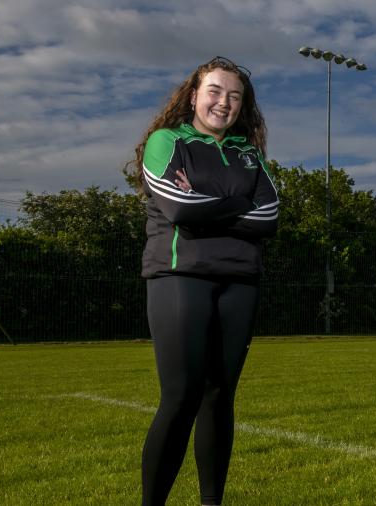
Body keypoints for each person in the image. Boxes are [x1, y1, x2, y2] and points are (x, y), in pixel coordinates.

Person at [126, 56, 280, 506]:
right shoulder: (166, 140)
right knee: (181, 395)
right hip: (180, 276)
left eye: (234, 96)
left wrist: (207, 200)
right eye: (214, 91)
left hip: (240, 281)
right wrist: (236, 202)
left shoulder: (248, 154)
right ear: (194, 95)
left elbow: (268, 216)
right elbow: (179, 209)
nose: (223, 102)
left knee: (219, 396)